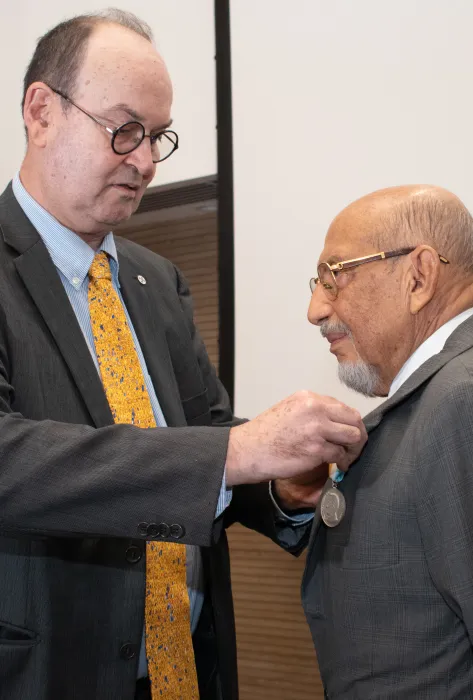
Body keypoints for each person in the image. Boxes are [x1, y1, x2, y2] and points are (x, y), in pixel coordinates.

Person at [0, 9, 367, 700]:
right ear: (41, 111)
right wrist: (236, 454)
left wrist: (279, 488)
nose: (143, 160)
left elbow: (207, 442)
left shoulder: (156, 281)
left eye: (158, 136)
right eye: (124, 129)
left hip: (186, 673)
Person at [301, 183, 473, 698]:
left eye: (334, 277)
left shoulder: (462, 400)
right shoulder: (439, 397)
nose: (314, 310)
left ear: (419, 276)